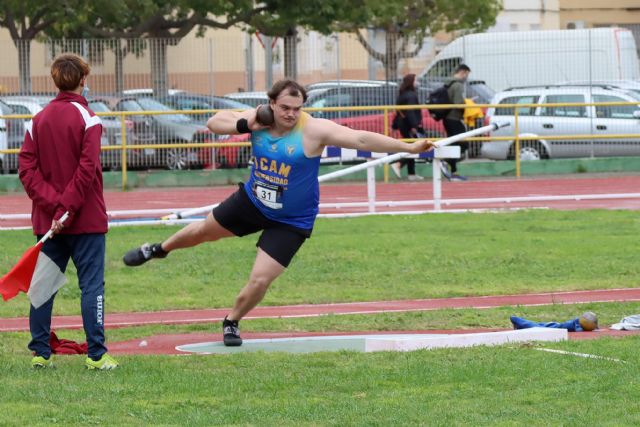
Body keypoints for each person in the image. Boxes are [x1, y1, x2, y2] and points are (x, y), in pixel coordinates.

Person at [122, 79, 435, 346]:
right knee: (203, 232)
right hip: (253, 201)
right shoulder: (258, 119)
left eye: (297, 109)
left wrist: (407, 148)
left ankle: (232, 320)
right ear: (271, 103)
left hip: (292, 219)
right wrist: (246, 125)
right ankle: (159, 249)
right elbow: (214, 122)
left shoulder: (313, 130)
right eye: (285, 108)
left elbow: (361, 138)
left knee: (260, 280)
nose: (290, 114)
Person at [18, 53, 118, 369]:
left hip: (49, 221)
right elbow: (87, 169)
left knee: (43, 285)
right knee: (91, 285)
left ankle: (41, 352)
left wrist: (54, 207)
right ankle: (97, 355)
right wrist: (67, 208)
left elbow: (26, 168)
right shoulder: (89, 119)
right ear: (84, 80)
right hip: (85, 220)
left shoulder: (38, 119)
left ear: (55, 79)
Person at [391, 73, 424, 181]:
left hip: (403, 123)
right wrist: (414, 126)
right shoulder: (410, 95)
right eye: (415, 80)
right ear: (411, 82)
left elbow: (401, 111)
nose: (417, 82)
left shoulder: (403, 94)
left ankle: (411, 173)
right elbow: (410, 112)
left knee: (411, 146)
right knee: (413, 148)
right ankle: (399, 164)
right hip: (408, 125)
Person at [442, 64, 471, 182]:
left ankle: (453, 171)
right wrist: (468, 103)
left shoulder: (448, 83)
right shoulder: (458, 85)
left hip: (447, 118)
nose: (466, 77)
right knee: (463, 144)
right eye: (467, 75)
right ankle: (445, 160)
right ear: (463, 72)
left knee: (454, 143)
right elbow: (458, 102)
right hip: (454, 118)